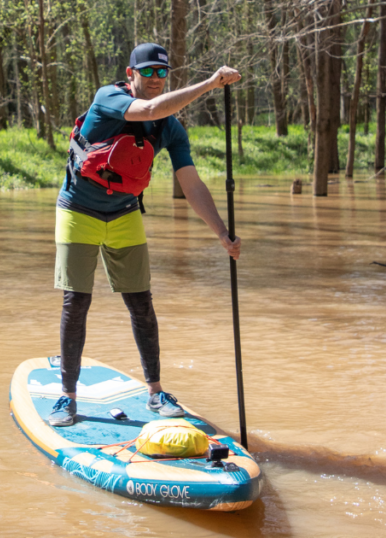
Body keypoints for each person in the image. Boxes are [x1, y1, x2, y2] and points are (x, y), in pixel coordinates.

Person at [49, 43, 242, 427]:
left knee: (141, 303)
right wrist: (209, 83)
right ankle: (66, 397)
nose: (155, 79)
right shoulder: (109, 98)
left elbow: (191, 184)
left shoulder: (170, 129)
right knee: (77, 302)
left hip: (123, 213)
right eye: (148, 72)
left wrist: (221, 232)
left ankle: (155, 392)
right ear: (131, 73)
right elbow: (151, 109)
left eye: (162, 73)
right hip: (78, 210)